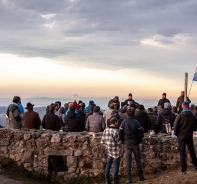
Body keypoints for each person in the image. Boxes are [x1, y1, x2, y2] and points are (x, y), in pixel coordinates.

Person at [119, 108, 146, 183]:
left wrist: (123, 141)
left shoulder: (123, 122)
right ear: (134, 114)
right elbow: (141, 133)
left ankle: (129, 179)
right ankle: (141, 177)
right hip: (135, 143)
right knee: (138, 161)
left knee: (128, 162)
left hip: (127, 143)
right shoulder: (137, 122)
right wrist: (139, 140)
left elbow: (120, 133)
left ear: (127, 114)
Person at [174, 101, 197, 174]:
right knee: (192, 151)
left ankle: (184, 169)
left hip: (181, 136)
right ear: (188, 106)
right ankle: (196, 165)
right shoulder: (192, 115)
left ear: (183, 106)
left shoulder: (180, 115)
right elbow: (195, 127)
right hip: (189, 135)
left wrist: (176, 134)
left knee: (182, 152)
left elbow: (176, 126)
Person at [101, 117, 121, 184]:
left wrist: (107, 146)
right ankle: (115, 180)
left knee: (108, 165)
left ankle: (107, 180)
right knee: (116, 165)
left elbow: (102, 141)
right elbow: (119, 142)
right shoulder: (116, 131)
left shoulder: (105, 130)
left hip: (109, 150)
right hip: (115, 151)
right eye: (117, 122)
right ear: (115, 122)